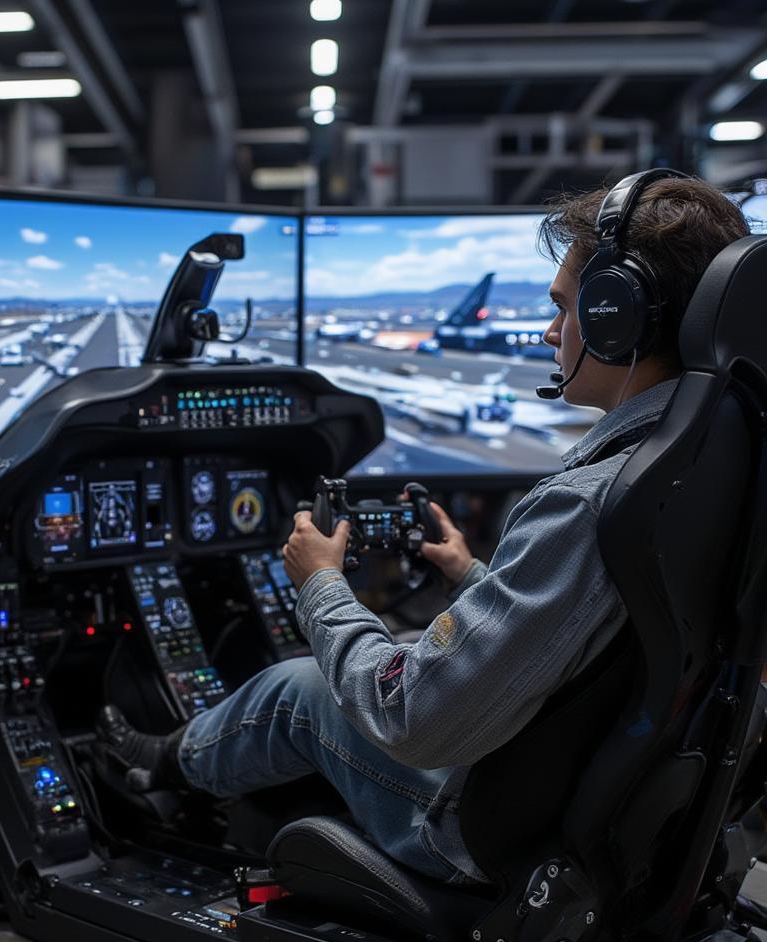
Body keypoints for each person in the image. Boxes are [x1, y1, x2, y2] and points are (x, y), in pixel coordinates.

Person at [97, 175, 750, 885]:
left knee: (297, 688)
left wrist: (318, 583)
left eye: (564, 308)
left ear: (622, 318)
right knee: (405, 641)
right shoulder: (721, 465)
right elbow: (615, 637)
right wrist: (478, 578)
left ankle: (156, 770)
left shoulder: (588, 502)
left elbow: (409, 718)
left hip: (490, 834)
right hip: (621, 822)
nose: (549, 332)